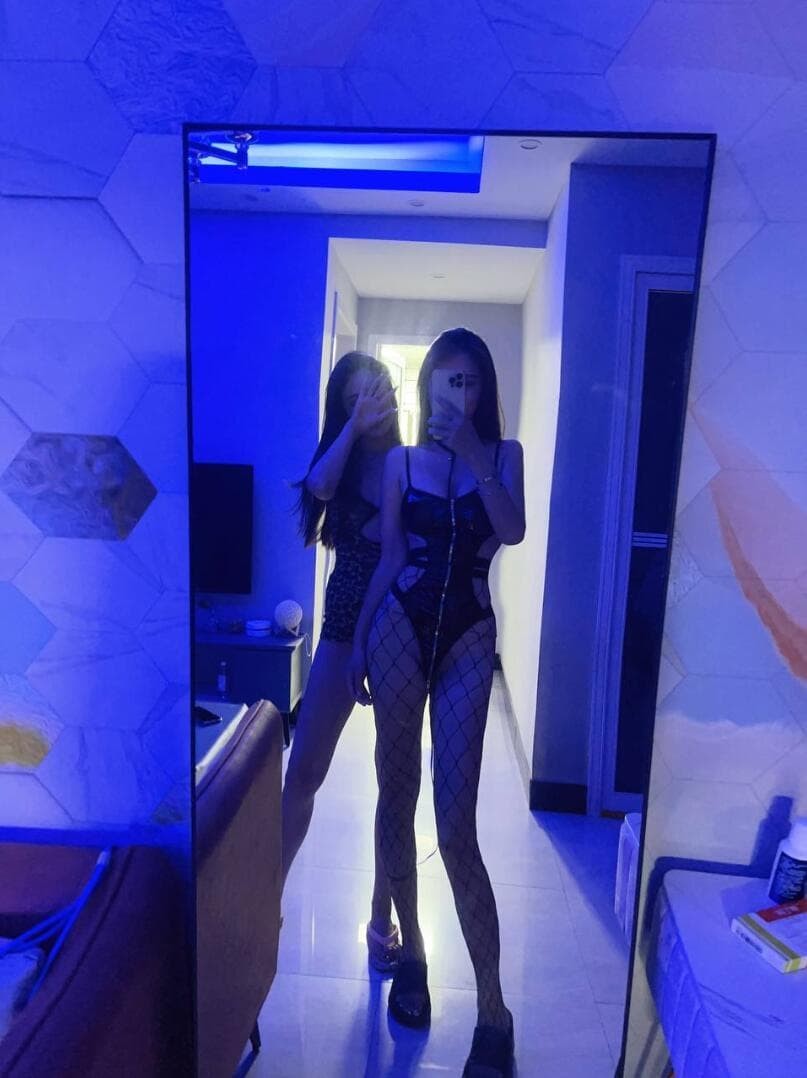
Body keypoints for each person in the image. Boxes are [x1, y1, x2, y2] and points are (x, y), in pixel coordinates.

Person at [348, 328, 526, 1078]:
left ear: (483, 391)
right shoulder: (400, 462)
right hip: (397, 624)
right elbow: (391, 556)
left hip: (468, 637)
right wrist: (358, 641)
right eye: (446, 381)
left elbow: (512, 530)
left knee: (455, 828)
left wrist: (477, 455)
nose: (458, 394)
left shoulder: (505, 456)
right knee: (395, 797)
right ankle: (414, 955)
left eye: (470, 382)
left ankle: (494, 1009)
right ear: (426, 388)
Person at [283, 351, 403, 971]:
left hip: (402, 629)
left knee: (394, 784)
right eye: (356, 398)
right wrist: (353, 428)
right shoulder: (344, 457)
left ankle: (382, 918)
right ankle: (263, 896)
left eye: (376, 390)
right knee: (303, 769)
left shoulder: (413, 461)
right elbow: (319, 488)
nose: (371, 403)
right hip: (341, 625)